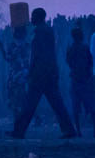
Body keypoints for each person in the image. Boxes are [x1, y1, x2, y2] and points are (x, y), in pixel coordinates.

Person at [8, 8, 77, 139]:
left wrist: (31, 72)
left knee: (29, 105)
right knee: (57, 104)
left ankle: (19, 131)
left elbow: (37, 56)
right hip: (49, 74)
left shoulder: (40, 32)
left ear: (38, 17)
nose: (31, 19)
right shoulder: (48, 31)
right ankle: (69, 130)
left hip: (40, 75)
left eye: (33, 16)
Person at [0, 26, 31, 119]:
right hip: (16, 75)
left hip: (23, 74)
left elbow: (11, 58)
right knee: (15, 97)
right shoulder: (16, 46)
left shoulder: (26, 46)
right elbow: (8, 58)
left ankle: (26, 116)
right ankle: (19, 117)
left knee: (23, 97)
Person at [66, 26, 95, 137]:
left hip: (76, 80)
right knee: (91, 105)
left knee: (76, 108)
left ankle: (79, 131)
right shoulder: (85, 48)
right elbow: (90, 62)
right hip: (85, 80)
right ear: (81, 37)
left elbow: (69, 63)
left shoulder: (71, 49)